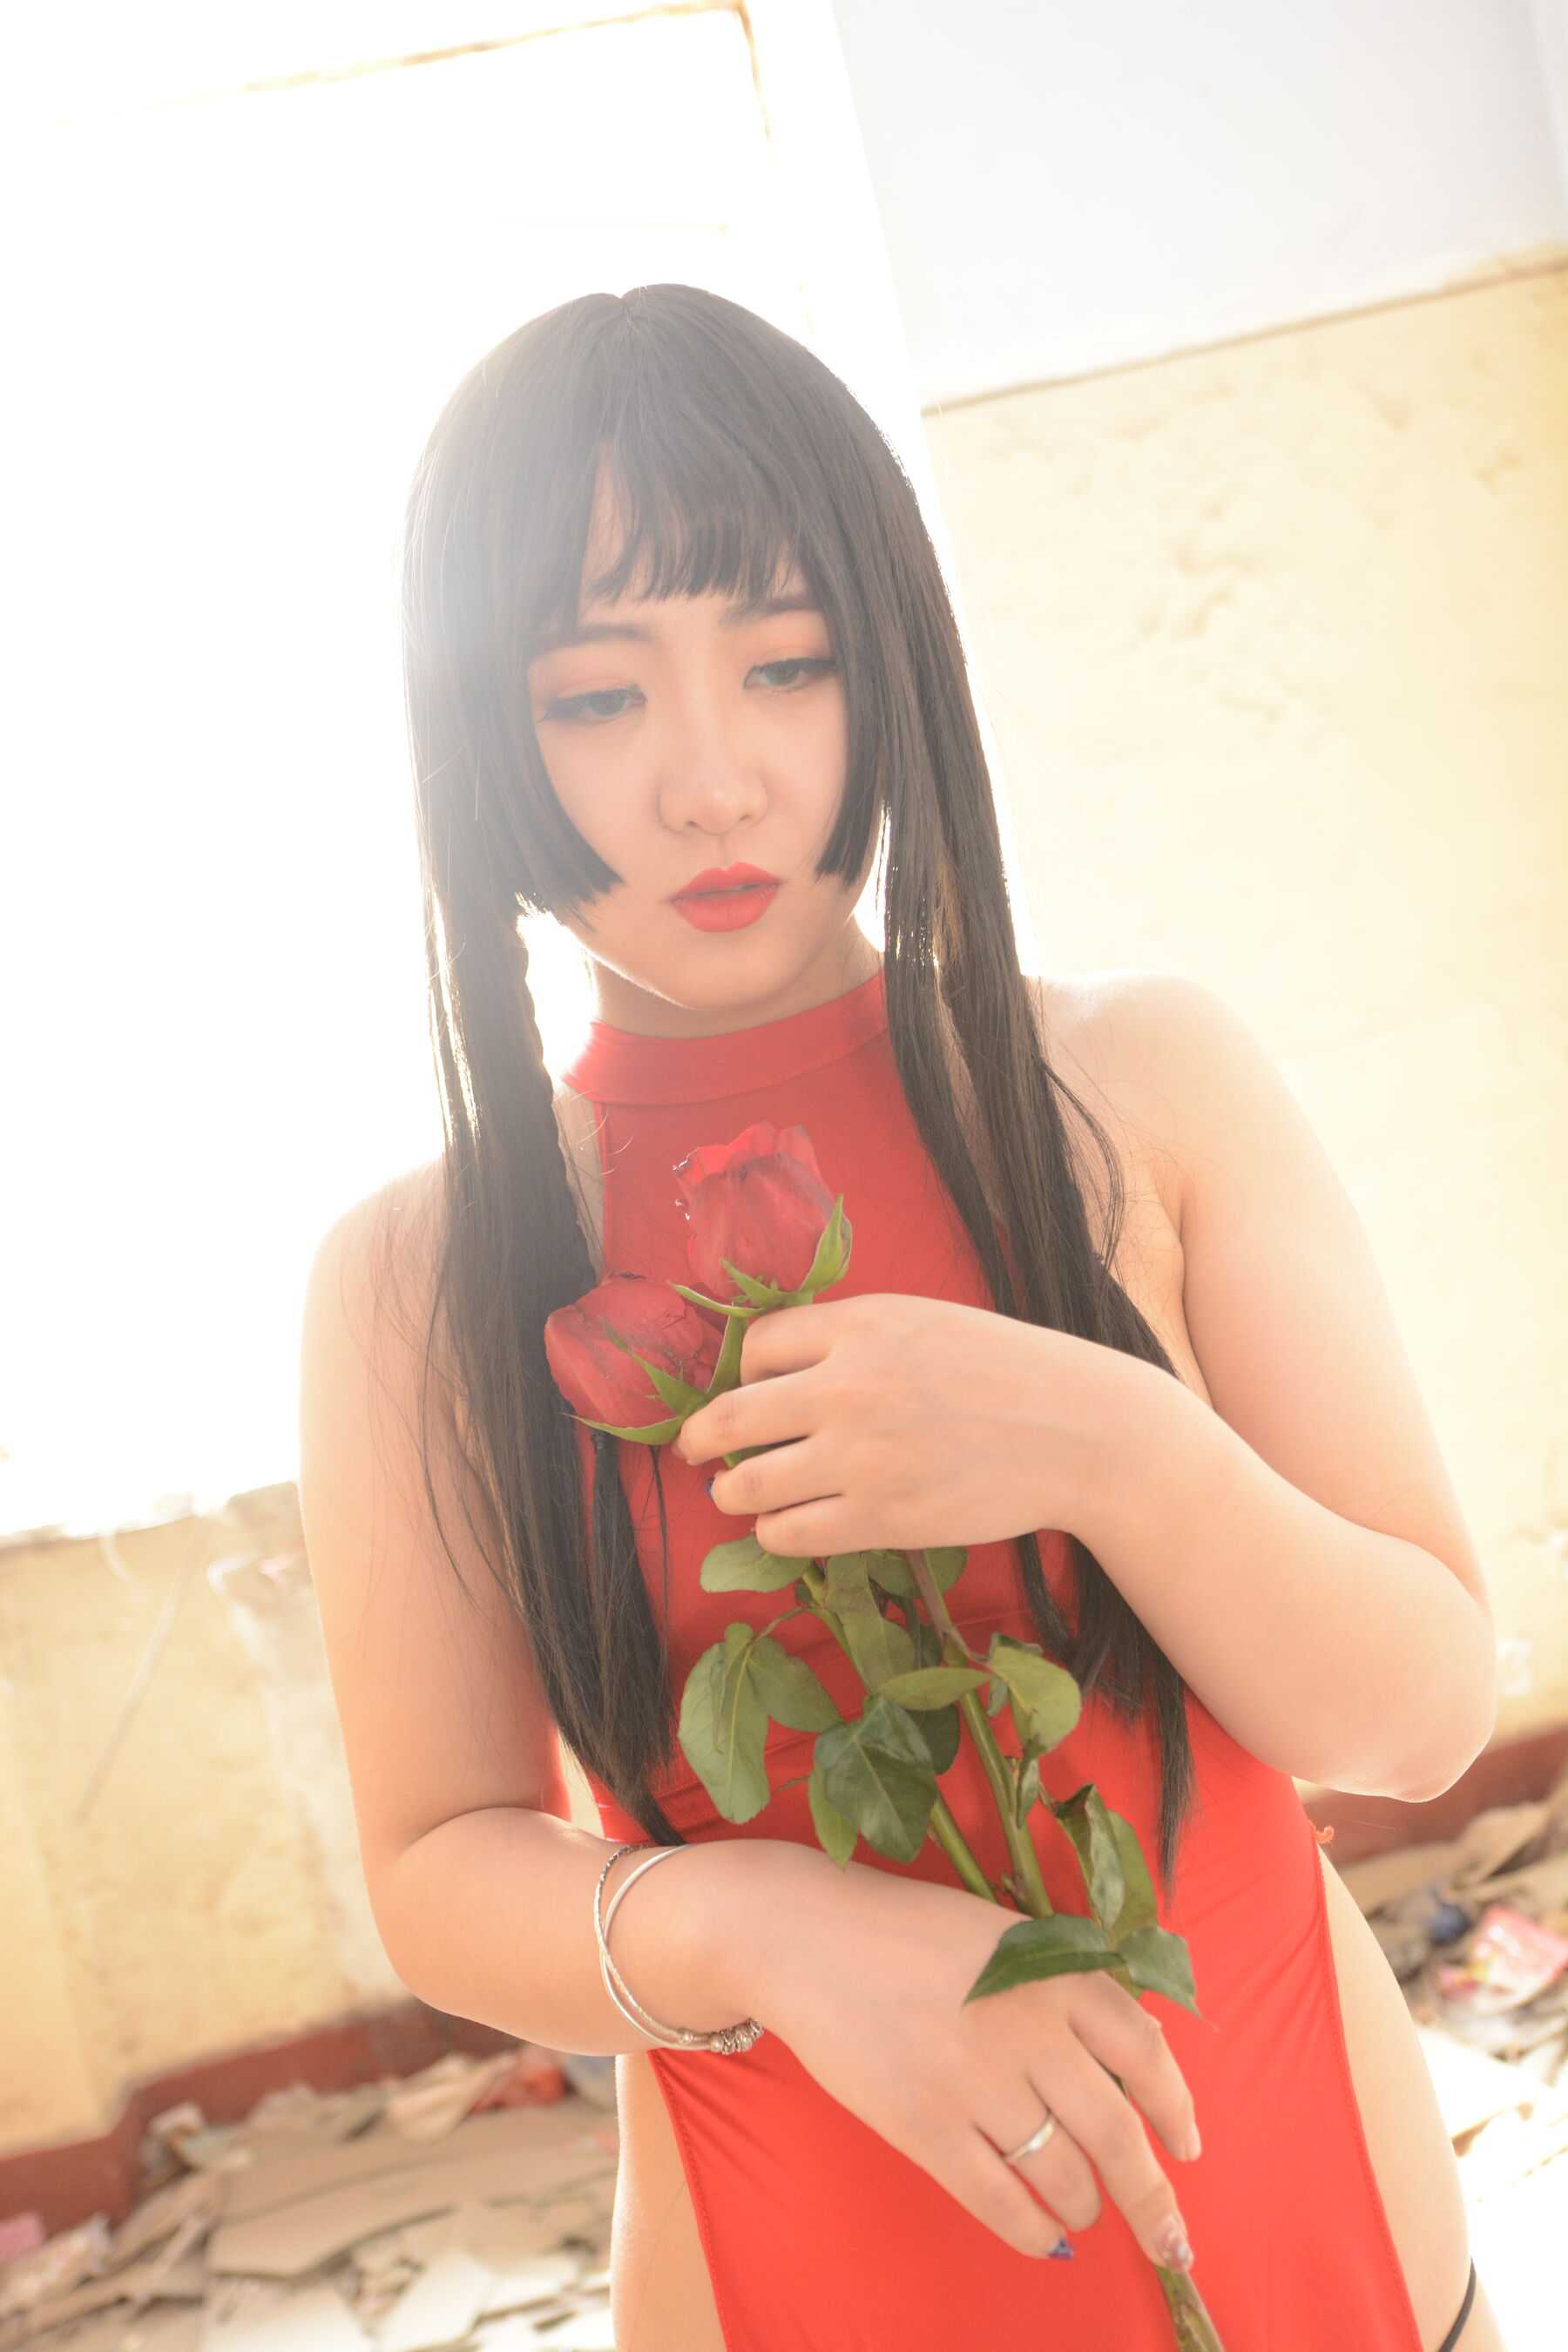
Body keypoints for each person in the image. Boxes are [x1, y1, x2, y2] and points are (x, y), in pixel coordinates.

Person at [297, 284, 1501, 2349]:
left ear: (893, 668)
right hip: (794, 2275)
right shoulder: (419, 1273)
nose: (712, 782)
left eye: (789, 663)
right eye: (597, 697)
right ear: (482, 734)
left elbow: (1414, 1716)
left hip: (1312, 2241)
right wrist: (772, 1926)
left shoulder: (1136, 1083)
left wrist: (1115, 1443)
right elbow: (436, 1871)